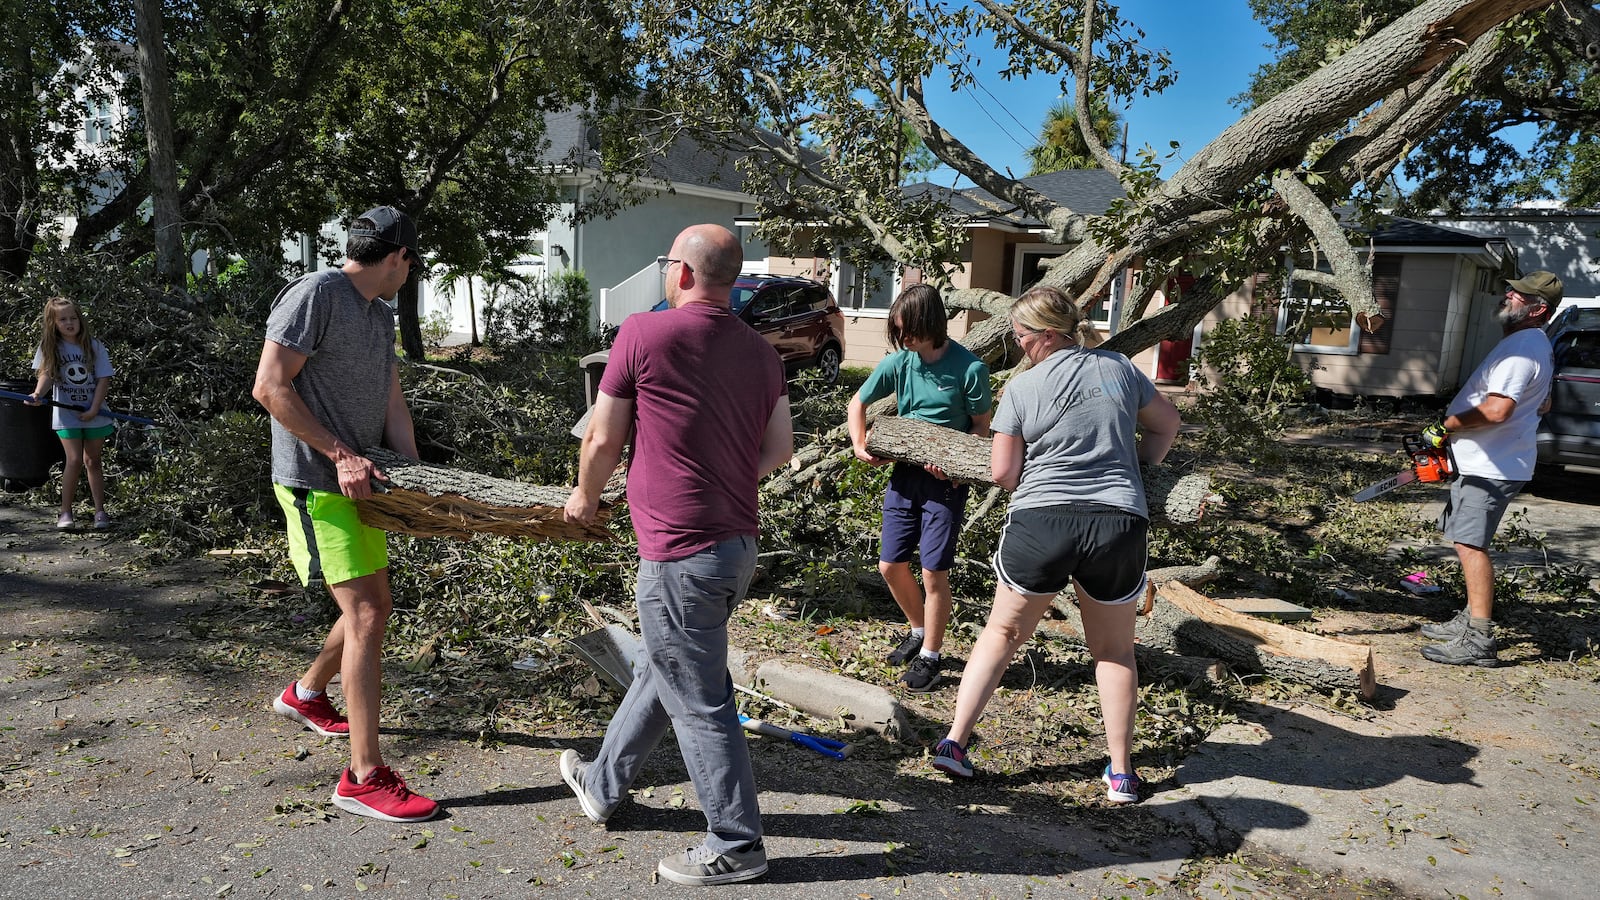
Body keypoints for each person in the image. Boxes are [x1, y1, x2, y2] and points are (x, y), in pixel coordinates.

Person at [561, 224, 793, 886]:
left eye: (667, 263)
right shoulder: (761, 353)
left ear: (685, 274)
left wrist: (584, 495)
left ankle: (737, 842)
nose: (665, 273)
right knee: (668, 670)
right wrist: (724, 473)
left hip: (679, 550)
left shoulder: (642, 333)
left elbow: (604, 437)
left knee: (700, 698)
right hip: (735, 546)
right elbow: (779, 448)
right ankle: (604, 782)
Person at [929, 285, 1181, 804]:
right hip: (1117, 525)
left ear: (1047, 335)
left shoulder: (1021, 390)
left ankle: (954, 743)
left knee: (1000, 633)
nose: (1018, 346)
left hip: (1043, 524)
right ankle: (1120, 773)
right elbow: (1168, 425)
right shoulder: (1119, 368)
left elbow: (1003, 472)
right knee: (1114, 651)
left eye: (1021, 336)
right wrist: (1145, 471)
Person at [252, 205, 438, 823]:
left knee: (371, 607)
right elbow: (270, 386)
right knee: (366, 612)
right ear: (396, 258)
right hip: (317, 480)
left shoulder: (379, 315)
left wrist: (420, 481)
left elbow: (392, 402)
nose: (409, 276)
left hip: (363, 482)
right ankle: (362, 776)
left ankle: (306, 694)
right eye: (410, 265)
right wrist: (339, 454)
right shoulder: (317, 293)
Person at [846, 284, 992, 692]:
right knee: (890, 566)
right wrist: (860, 445)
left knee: (933, 573)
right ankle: (917, 629)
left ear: (932, 325)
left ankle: (931, 654)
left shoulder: (969, 369)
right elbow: (857, 404)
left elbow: (981, 429)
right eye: (899, 332)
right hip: (905, 474)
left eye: (909, 331)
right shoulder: (900, 362)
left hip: (947, 483)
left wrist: (958, 466)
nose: (904, 339)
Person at [1416, 271, 1558, 667]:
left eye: (1520, 294)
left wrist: (1446, 426)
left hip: (1491, 466)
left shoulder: (1523, 348)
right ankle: (1468, 619)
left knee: (1470, 545)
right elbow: (1543, 404)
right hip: (1486, 460)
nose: (1509, 295)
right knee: (1463, 539)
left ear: (1538, 308)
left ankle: (1479, 637)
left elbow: (1498, 410)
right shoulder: (1529, 344)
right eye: (1513, 289)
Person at [28, 297, 116, 530]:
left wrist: (94, 409)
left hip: (94, 412)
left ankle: (100, 512)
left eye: (73, 318)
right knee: (74, 460)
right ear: (53, 323)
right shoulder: (51, 348)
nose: (69, 323)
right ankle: (65, 513)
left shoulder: (94, 345)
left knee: (93, 461)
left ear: (80, 319)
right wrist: (38, 394)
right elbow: (46, 375)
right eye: (63, 319)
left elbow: (103, 378)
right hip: (67, 414)